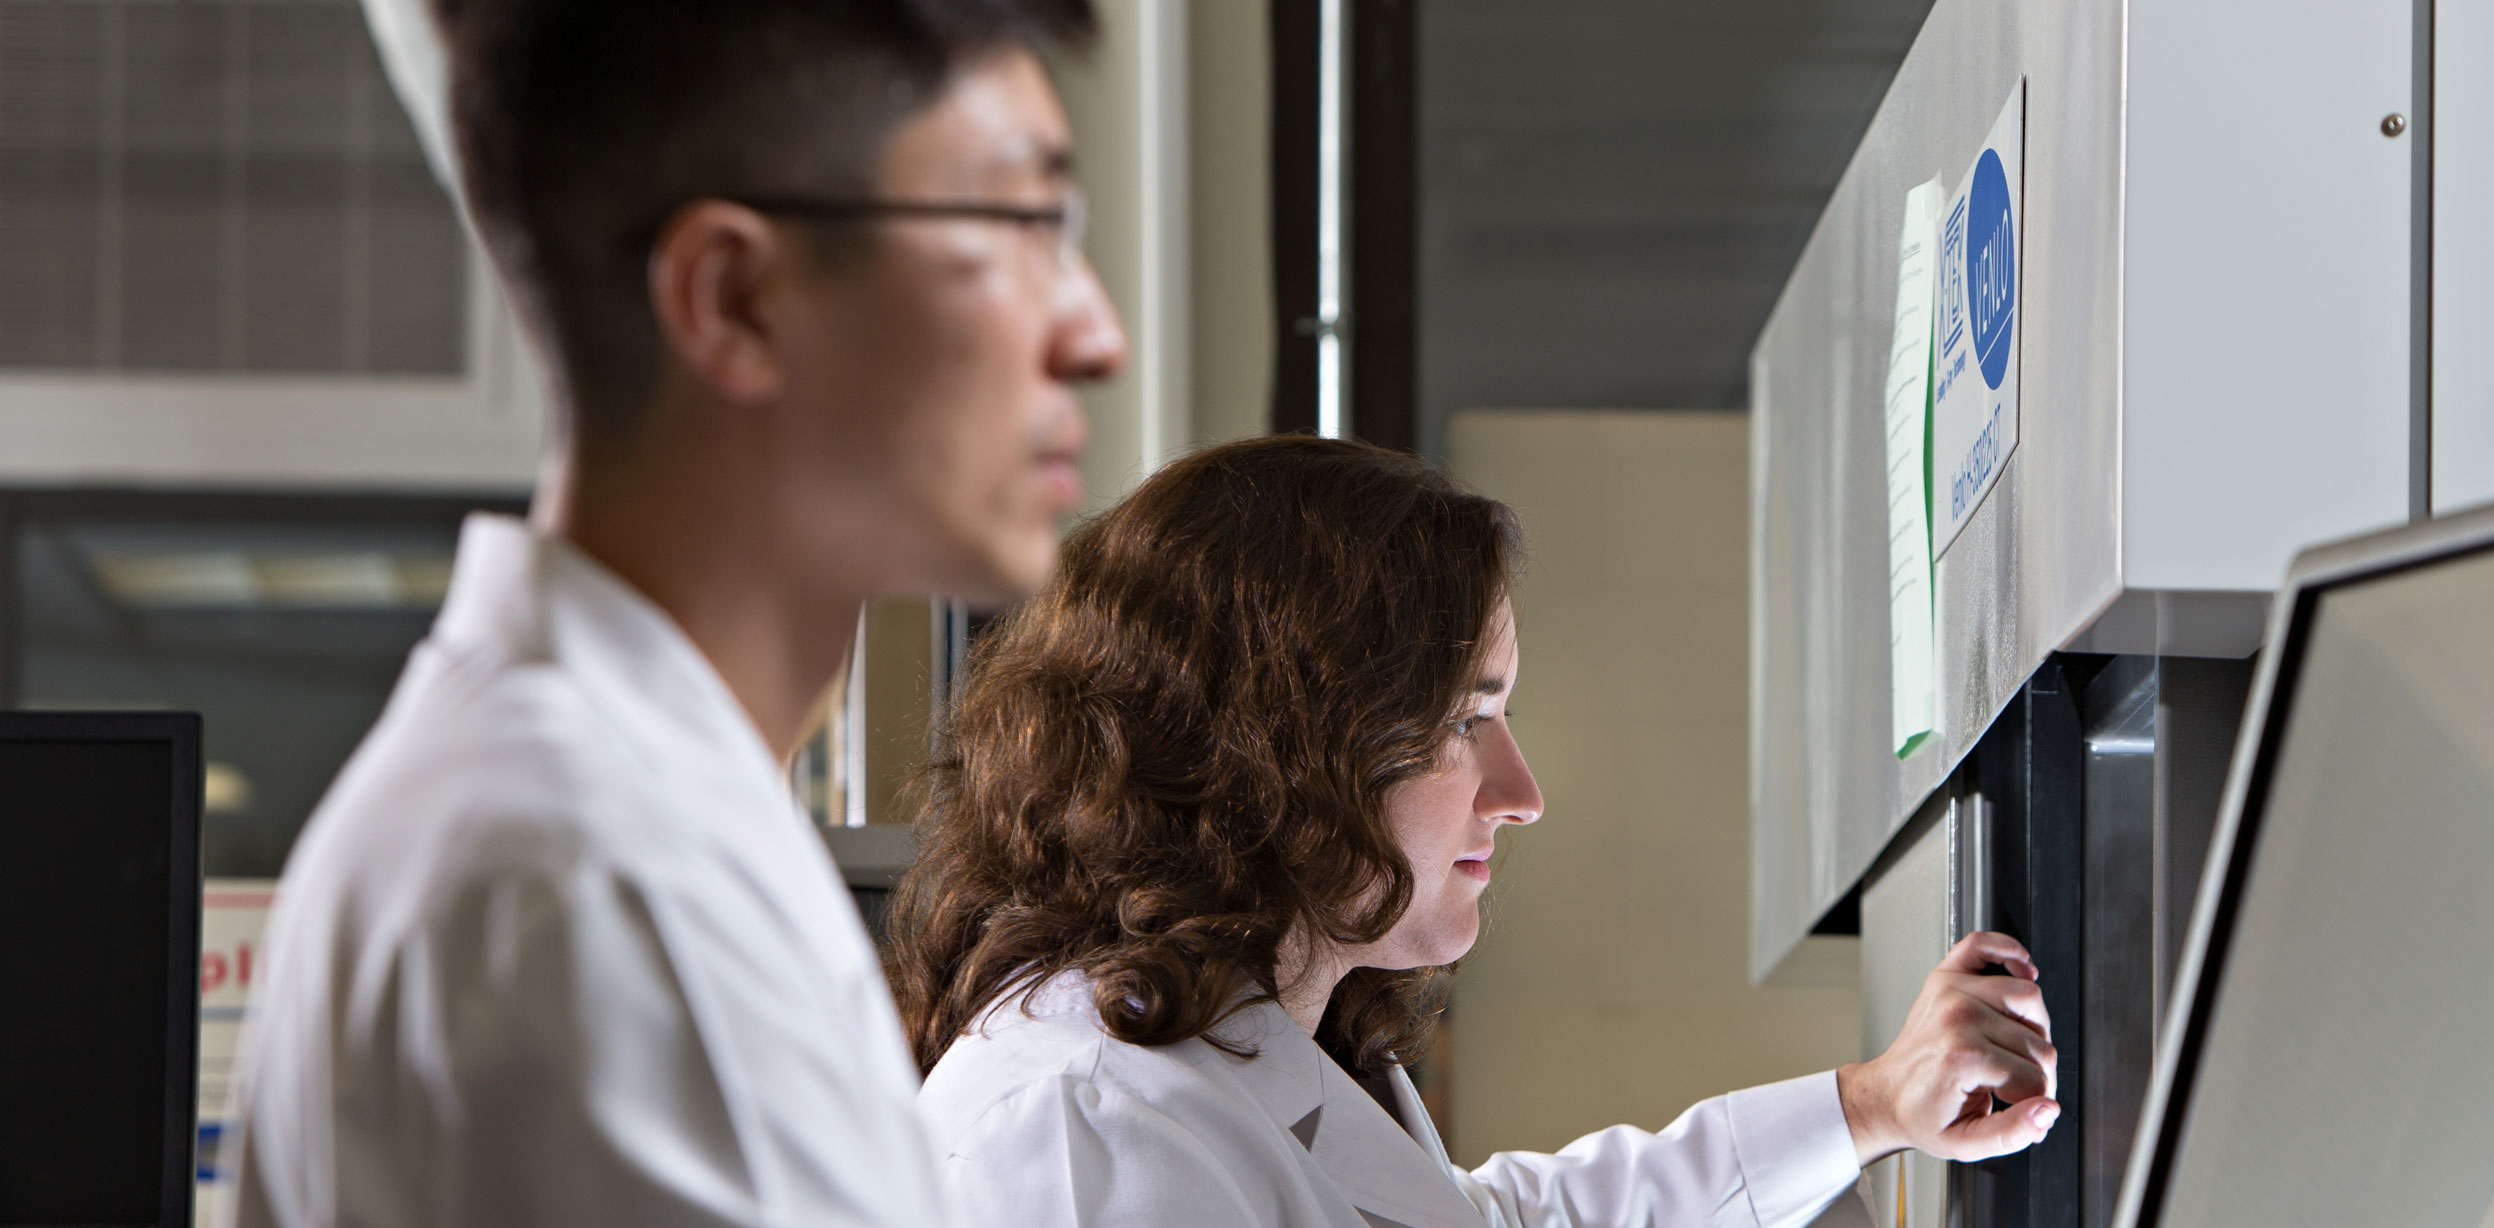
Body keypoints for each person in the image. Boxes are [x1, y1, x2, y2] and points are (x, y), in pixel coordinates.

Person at [228, 0, 1124, 1224]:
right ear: (735, 299)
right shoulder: (606, 885)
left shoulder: (601, 814)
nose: (1094, 333)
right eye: (1022, 227)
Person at [890, 436, 2060, 1228]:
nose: (1519, 789)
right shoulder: (1083, 1137)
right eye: (1464, 721)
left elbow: (1492, 1220)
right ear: (1282, 742)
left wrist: (1863, 1110)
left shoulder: (1235, 1064)